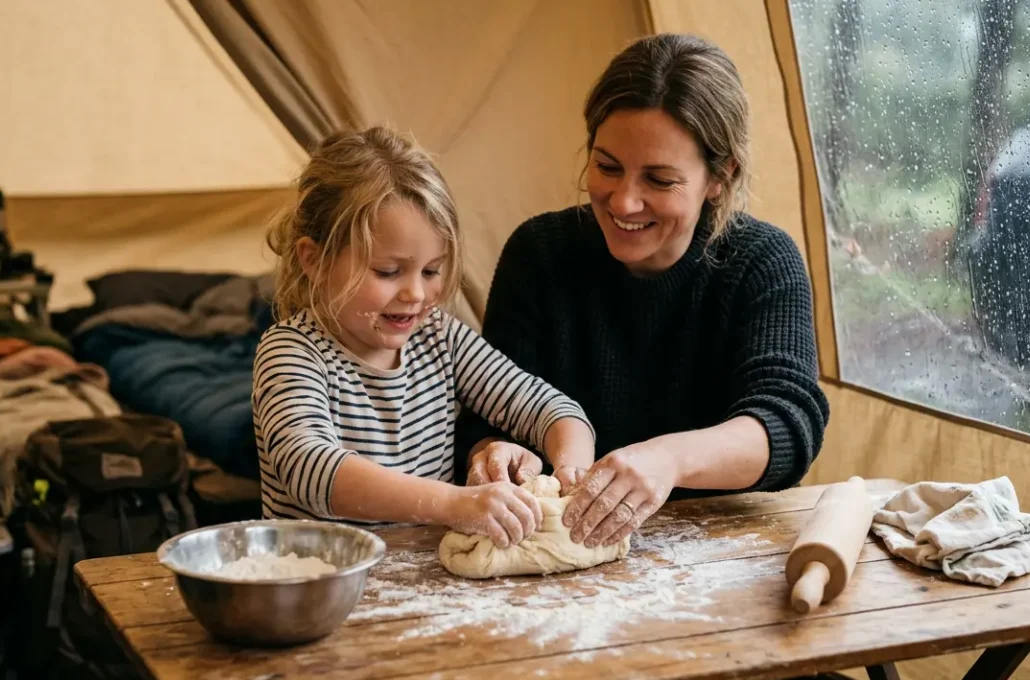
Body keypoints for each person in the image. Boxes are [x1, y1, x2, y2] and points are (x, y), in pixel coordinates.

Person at [459, 33, 829, 549]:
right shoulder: (539, 253)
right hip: (559, 552)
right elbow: (485, 412)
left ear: (721, 176)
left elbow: (786, 424)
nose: (624, 201)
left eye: (659, 180)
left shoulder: (763, 262)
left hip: (721, 554)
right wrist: (493, 452)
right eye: (607, 166)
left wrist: (668, 460)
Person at [252, 126, 596, 549]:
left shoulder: (440, 340)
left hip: (427, 588)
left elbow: (551, 408)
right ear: (315, 260)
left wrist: (571, 476)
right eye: (388, 271)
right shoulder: (291, 352)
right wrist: (454, 503)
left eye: (431, 271)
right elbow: (311, 469)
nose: (416, 294)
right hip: (321, 589)